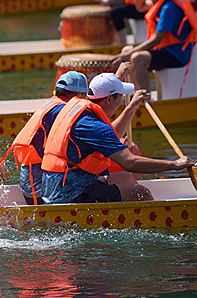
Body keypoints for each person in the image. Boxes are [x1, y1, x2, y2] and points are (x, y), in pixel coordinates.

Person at [41, 71, 195, 204]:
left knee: (124, 178)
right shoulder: (94, 126)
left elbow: (109, 137)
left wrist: (132, 106)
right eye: (120, 98)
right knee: (141, 193)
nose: (121, 102)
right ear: (109, 99)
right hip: (68, 194)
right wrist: (174, 165)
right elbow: (130, 162)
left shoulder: (81, 114)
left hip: (56, 186)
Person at [10, 71, 88, 205]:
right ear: (80, 95)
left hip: (29, 187)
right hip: (42, 192)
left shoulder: (49, 106)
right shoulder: (66, 112)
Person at [112, 0, 197, 93]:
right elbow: (140, 7)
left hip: (177, 53)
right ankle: (135, 93)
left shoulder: (169, 8)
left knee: (137, 58)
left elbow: (156, 39)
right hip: (165, 48)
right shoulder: (160, 0)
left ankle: (144, 98)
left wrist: (131, 53)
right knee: (126, 50)